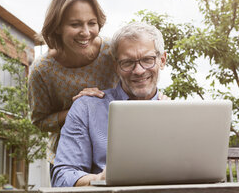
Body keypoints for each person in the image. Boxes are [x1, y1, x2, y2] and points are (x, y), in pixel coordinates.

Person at [51, 22, 168, 187]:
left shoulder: (179, 115)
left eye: (148, 60)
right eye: (128, 62)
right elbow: (62, 179)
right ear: (116, 67)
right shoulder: (86, 108)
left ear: (162, 60)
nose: (139, 70)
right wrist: (100, 179)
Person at [28, 0, 119, 166]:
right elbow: (40, 121)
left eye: (91, 23)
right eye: (75, 24)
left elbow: (136, 88)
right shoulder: (42, 70)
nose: (85, 32)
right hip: (68, 158)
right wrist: (79, 109)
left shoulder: (113, 52)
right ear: (57, 27)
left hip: (115, 153)